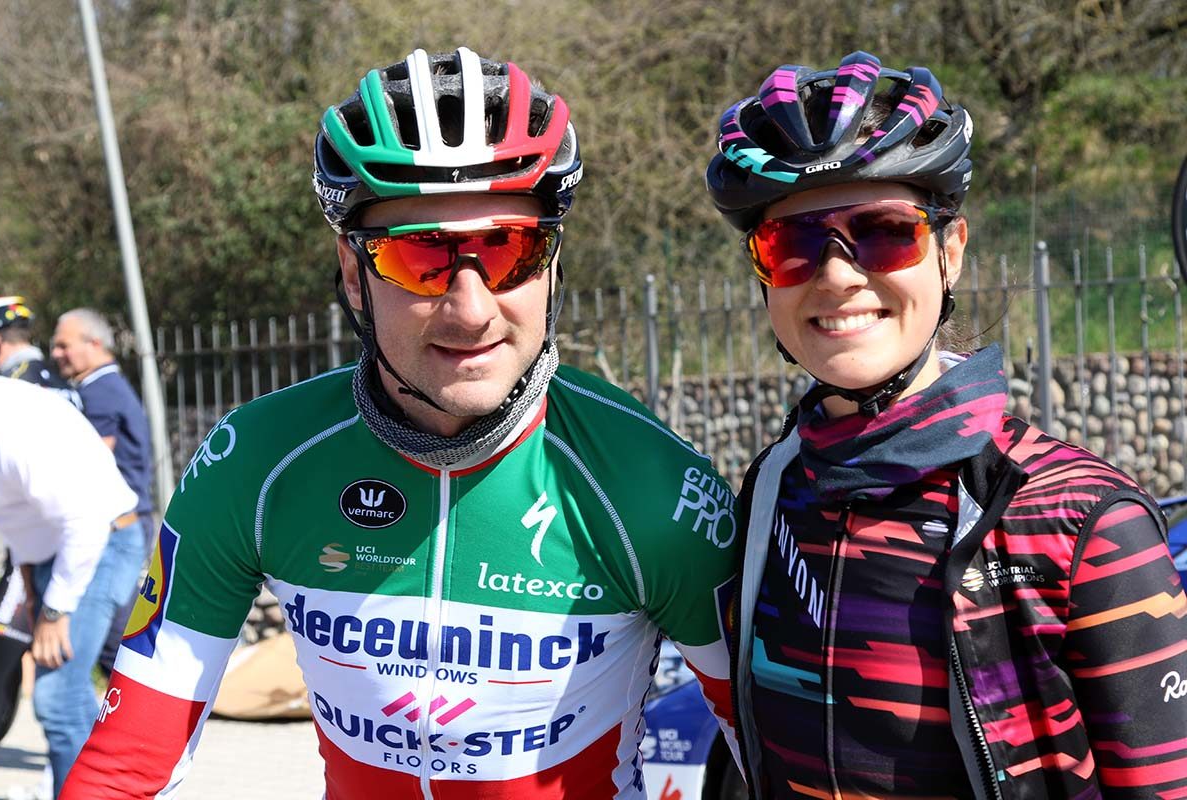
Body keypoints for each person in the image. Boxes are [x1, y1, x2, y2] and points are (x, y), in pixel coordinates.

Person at [64, 47, 739, 799]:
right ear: (354, 274)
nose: (472, 308)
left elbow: (779, 761)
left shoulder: (650, 489)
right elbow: (128, 762)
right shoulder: (259, 460)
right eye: (421, 258)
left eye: (509, 251)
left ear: (552, 262)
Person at [706, 51, 1187, 799]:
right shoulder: (775, 484)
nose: (837, 275)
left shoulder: (1080, 523)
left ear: (950, 251)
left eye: (884, 231)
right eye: (792, 246)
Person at [0, 376, 143, 797]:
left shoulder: (6, 425)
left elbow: (84, 520)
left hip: (97, 542)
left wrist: (55, 611)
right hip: (48, 556)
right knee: (73, 700)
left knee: (57, 696)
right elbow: (15, 513)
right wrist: (29, 583)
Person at [0, 295, 82, 761]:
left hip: (41, 547)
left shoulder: (12, 387)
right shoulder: (58, 381)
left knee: (1, 649)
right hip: (79, 539)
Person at [51, 307, 154, 675]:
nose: (56, 354)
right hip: (125, 523)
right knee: (118, 642)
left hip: (115, 528)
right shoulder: (102, 386)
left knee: (111, 645)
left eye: (64, 345)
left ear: (94, 343)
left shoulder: (100, 391)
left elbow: (89, 463)